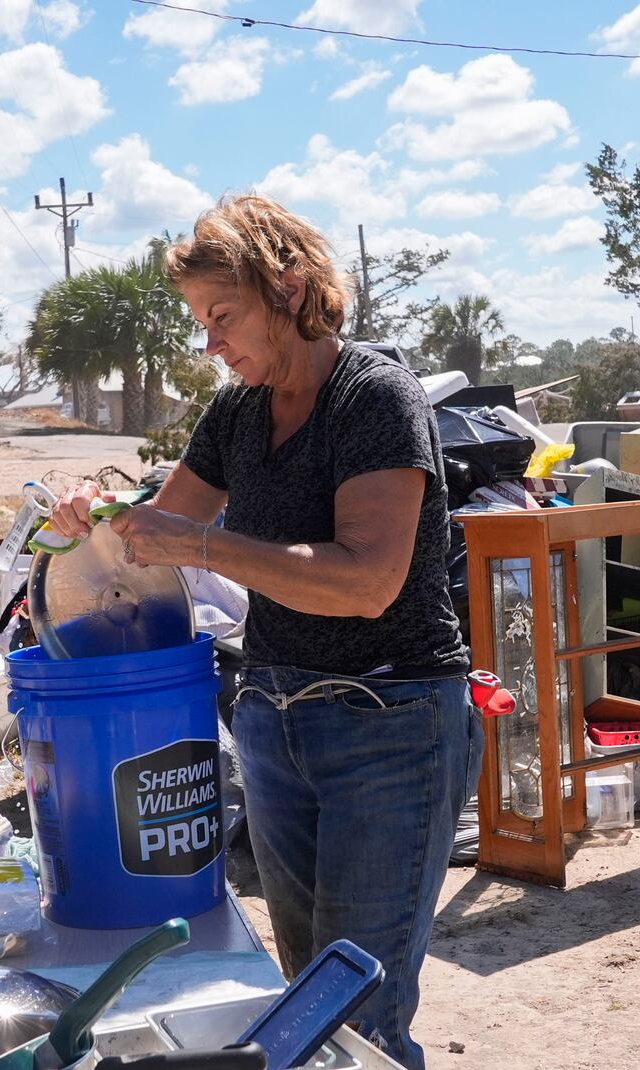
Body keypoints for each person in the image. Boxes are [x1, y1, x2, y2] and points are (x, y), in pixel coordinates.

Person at [48, 194, 482, 1070]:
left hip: (391, 722)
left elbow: (368, 581)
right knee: (303, 1008)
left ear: (288, 289)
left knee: (359, 1014)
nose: (210, 342)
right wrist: (92, 522)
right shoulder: (240, 411)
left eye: (223, 315)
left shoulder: (375, 398)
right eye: (200, 322)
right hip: (275, 722)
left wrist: (204, 543)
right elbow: (151, 539)